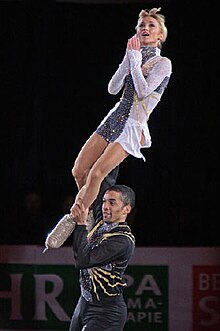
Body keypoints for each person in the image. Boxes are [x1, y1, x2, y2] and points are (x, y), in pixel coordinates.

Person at [71, 7, 172, 219]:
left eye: (151, 25)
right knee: (80, 171)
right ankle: (94, 216)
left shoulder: (163, 63)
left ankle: (76, 219)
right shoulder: (133, 56)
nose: (145, 28)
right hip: (114, 117)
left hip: (133, 125)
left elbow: (144, 92)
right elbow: (112, 88)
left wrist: (135, 61)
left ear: (160, 36)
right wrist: (128, 59)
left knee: (97, 173)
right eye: (142, 25)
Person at [69, 184, 136, 331]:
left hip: (106, 311)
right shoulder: (101, 223)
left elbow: (83, 260)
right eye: (104, 201)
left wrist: (81, 225)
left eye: (112, 203)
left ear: (126, 209)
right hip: (84, 303)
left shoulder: (122, 240)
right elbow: (101, 179)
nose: (105, 206)